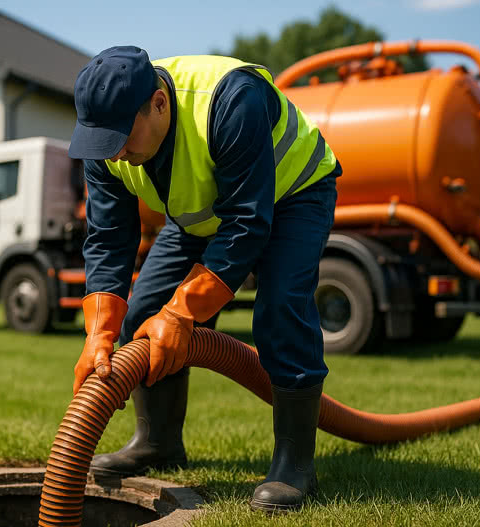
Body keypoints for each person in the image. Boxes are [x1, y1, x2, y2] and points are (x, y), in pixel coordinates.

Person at [68, 46, 340, 512]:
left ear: (158, 103)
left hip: (293, 192)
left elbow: (247, 224)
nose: (114, 152)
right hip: (204, 215)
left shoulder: (230, 98)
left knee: (280, 308)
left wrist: (184, 311)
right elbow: (109, 238)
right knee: (145, 312)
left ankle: (295, 465)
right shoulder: (105, 140)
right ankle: (159, 442)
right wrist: (99, 334)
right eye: (103, 141)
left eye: (121, 137)